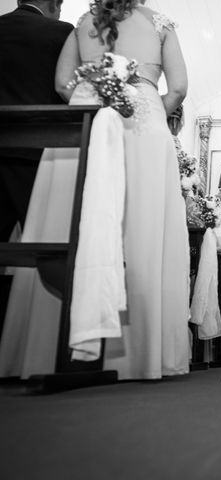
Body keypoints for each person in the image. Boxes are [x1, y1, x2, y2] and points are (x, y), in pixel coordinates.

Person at [0, 0, 191, 380]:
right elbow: (180, 88)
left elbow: (60, 84)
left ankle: (49, 349)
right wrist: (150, 107)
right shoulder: (161, 23)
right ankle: (138, 354)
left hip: (86, 124)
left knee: (68, 219)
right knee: (141, 229)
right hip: (143, 125)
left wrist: (94, 101)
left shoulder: (83, 22)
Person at [0, 0, 73, 323]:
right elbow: (66, 89)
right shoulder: (60, 33)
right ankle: (41, 327)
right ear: (54, 5)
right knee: (48, 249)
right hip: (37, 156)